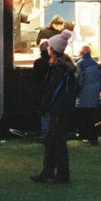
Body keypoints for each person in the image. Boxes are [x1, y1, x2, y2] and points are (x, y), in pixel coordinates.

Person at [31, 29, 78, 184]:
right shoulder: (65, 66)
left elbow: (53, 91)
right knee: (52, 141)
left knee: (57, 142)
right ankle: (48, 172)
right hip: (61, 109)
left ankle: (61, 175)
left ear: (53, 49)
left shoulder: (59, 68)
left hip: (58, 110)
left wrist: (45, 106)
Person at [74, 45, 101, 145]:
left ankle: (87, 136)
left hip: (84, 92)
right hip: (94, 91)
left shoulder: (80, 64)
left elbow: (79, 79)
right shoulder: (95, 63)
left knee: (83, 116)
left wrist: (75, 91)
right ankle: (92, 137)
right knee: (91, 115)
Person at [32, 40, 52, 139]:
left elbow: (35, 78)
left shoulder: (38, 62)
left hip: (41, 89)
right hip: (51, 89)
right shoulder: (53, 62)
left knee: (44, 112)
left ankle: (45, 133)